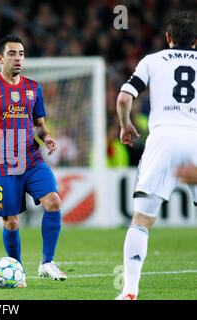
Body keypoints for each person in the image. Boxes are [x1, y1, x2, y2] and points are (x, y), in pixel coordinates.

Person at [0, 34, 67, 286]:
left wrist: (47, 137)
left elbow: (39, 124)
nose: (18, 58)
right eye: (12, 54)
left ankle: (47, 263)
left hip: (31, 159)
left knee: (53, 201)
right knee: (11, 220)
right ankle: (17, 271)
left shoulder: (33, 88)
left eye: (21, 53)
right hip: (2, 166)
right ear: (0, 58)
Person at [115, 11, 196, 300]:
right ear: (196, 41)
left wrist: (126, 125)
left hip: (162, 139)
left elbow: (125, 97)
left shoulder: (153, 60)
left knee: (141, 220)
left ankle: (129, 292)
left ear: (168, 38)